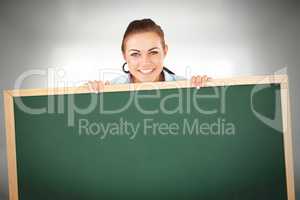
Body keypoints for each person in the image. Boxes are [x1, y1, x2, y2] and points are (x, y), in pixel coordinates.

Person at [87, 18, 210, 92]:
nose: (145, 62)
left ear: (165, 51)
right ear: (124, 56)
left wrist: (209, 89)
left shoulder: (187, 87)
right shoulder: (108, 90)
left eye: (153, 52)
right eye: (135, 54)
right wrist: (83, 95)